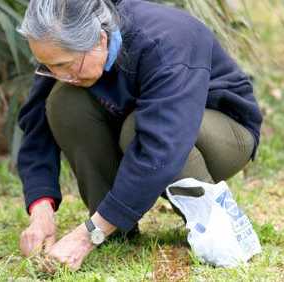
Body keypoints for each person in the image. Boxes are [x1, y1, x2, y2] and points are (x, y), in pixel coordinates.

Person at [16, 0, 263, 271]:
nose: (59, 75)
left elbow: (161, 144)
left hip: (223, 131)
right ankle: (115, 227)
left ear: (99, 39)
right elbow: (36, 128)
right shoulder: (63, 52)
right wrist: (41, 212)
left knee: (138, 128)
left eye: (65, 65)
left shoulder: (165, 41)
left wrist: (84, 238)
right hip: (148, 124)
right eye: (49, 66)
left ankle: (217, 223)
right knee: (63, 101)